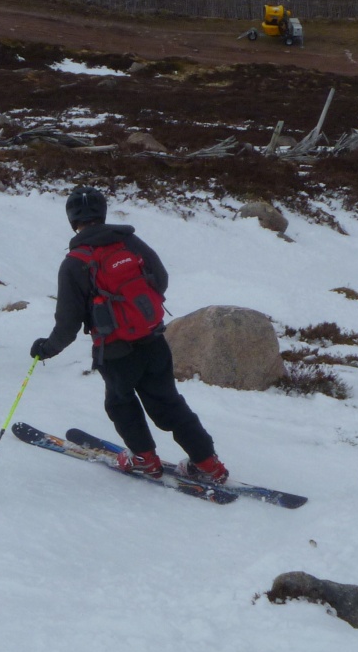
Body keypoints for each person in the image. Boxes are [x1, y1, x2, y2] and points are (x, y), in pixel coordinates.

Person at [29, 185, 229, 483]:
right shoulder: (129, 242)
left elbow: (67, 323)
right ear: (103, 212)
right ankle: (208, 463)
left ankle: (144, 459)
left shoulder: (74, 263)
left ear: (72, 219)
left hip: (115, 351)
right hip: (153, 340)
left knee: (120, 403)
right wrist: (139, 311)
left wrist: (46, 349)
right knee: (168, 403)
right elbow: (160, 279)